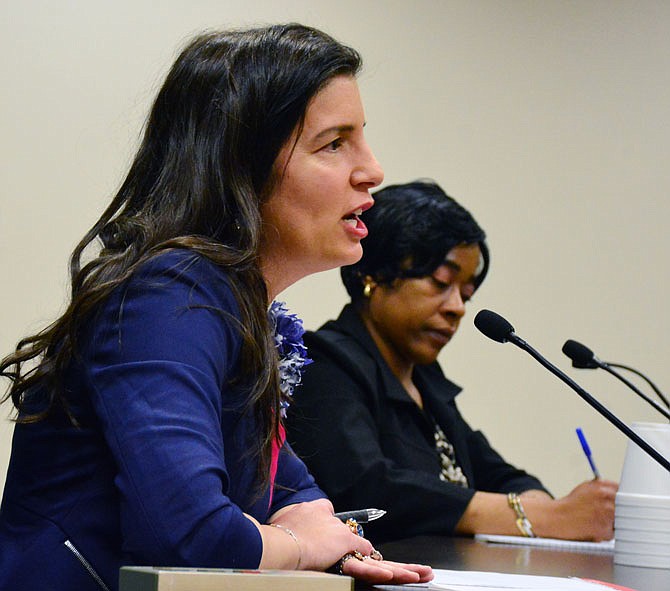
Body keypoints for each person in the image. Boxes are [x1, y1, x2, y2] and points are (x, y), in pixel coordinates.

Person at [0, 25, 433, 591]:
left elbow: (283, 485)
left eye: (362, 139)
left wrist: (324, 536)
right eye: (334, 143)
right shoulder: (167, 299)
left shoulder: (228, 300)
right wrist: (302, 546)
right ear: (241, 167)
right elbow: (188, 534)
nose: (372, 169)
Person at [286, 180, 618, 544]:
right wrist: (531, 517)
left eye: (466, 293)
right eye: (441, 282)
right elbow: (368, 490)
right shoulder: (326, 363)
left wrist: (543, 507)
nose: (457, 307)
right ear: (374, 275)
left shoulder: (425, 380)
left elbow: (500, 475)